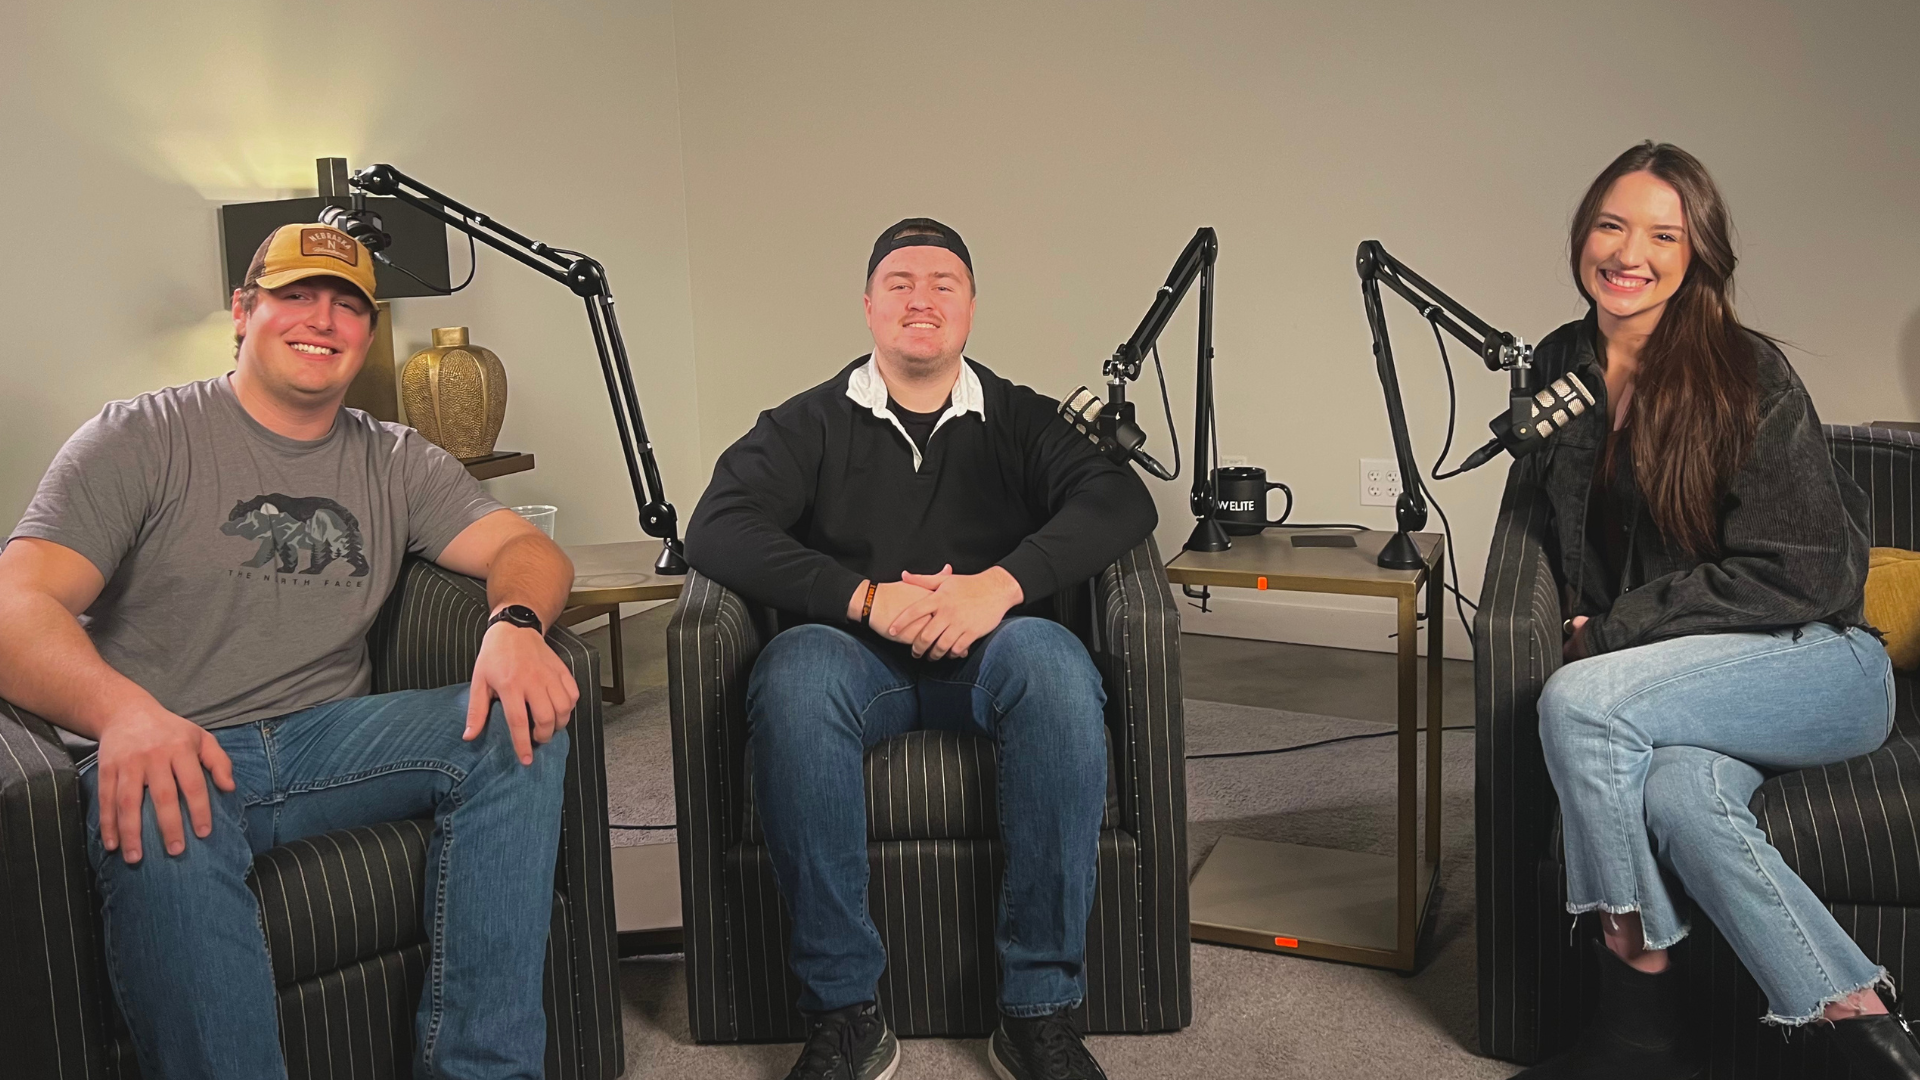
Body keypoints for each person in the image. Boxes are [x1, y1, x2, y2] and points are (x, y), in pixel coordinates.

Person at [0, 223, 581, 1080]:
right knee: (167, 807)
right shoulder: (140, 438)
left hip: (329, 742)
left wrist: (516, 627)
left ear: (369, 335)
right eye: (296, 295)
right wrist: (126, 715)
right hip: (175, 740)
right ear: (244, 312)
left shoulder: (395, 459)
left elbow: (528, 552)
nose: (323, 318)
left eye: (348, 305)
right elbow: (18, 604)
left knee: (521, 723)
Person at [685, 218, 1155, 1080]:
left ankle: (1038, 1010)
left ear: (972, 307)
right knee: (790, 677)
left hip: (996, 652)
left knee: (1055, 664)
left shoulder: (1020, 417)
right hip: (857, 659)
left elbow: (1121, 503)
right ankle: (844, 1013)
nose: (922, 298)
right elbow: (716, 525)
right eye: (900, 282)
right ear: (868, 307)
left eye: (944, 282)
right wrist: (866, 598)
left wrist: (996, 589)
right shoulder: (808, 423)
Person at [1516, 143, 1916, 1079]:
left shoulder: (1745, 373)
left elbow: (1808, 574)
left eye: (1665, 233)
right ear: (1583, 233)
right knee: (1676, 796)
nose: (1630, 252)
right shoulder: (1558, 364)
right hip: (1689, 687)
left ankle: (1634, 999)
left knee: (1579, 702)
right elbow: (1558, 531)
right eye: (1612, 224)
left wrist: (1611, 634)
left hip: (1819, 663)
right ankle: (1861, 1031)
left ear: (1698, 254)